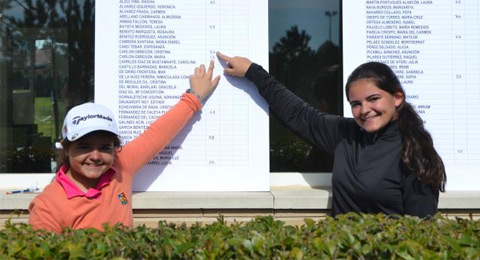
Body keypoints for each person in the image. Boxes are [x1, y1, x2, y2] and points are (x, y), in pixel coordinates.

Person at [217, 52, 446, 218]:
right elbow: (298, 113)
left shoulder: (415, 153)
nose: (364, 110)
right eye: (356, 104)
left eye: (373, 99)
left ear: (397, 98)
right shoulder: (345, 134)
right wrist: (252, 71)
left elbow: (420, 233)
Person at [28, 61, 220, 233]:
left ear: (115, 148)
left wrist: (194, 97)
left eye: (105, 147)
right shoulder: (48, 205)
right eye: (84, 146)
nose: (95, 156)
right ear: (66, 148)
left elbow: (157, 134)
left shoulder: (120, 167)